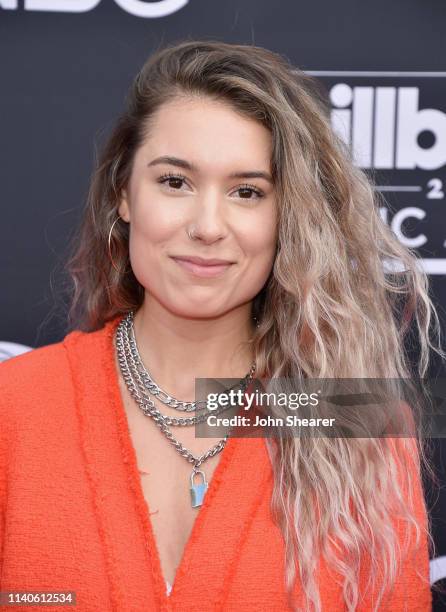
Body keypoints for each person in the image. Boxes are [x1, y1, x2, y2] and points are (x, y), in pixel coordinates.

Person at [0, 39, 443, 612]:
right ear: (124, 195)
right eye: (175, 182)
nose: (208, 226)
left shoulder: (352, 418)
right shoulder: (16, 405)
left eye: (247, 192)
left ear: (288, 218)